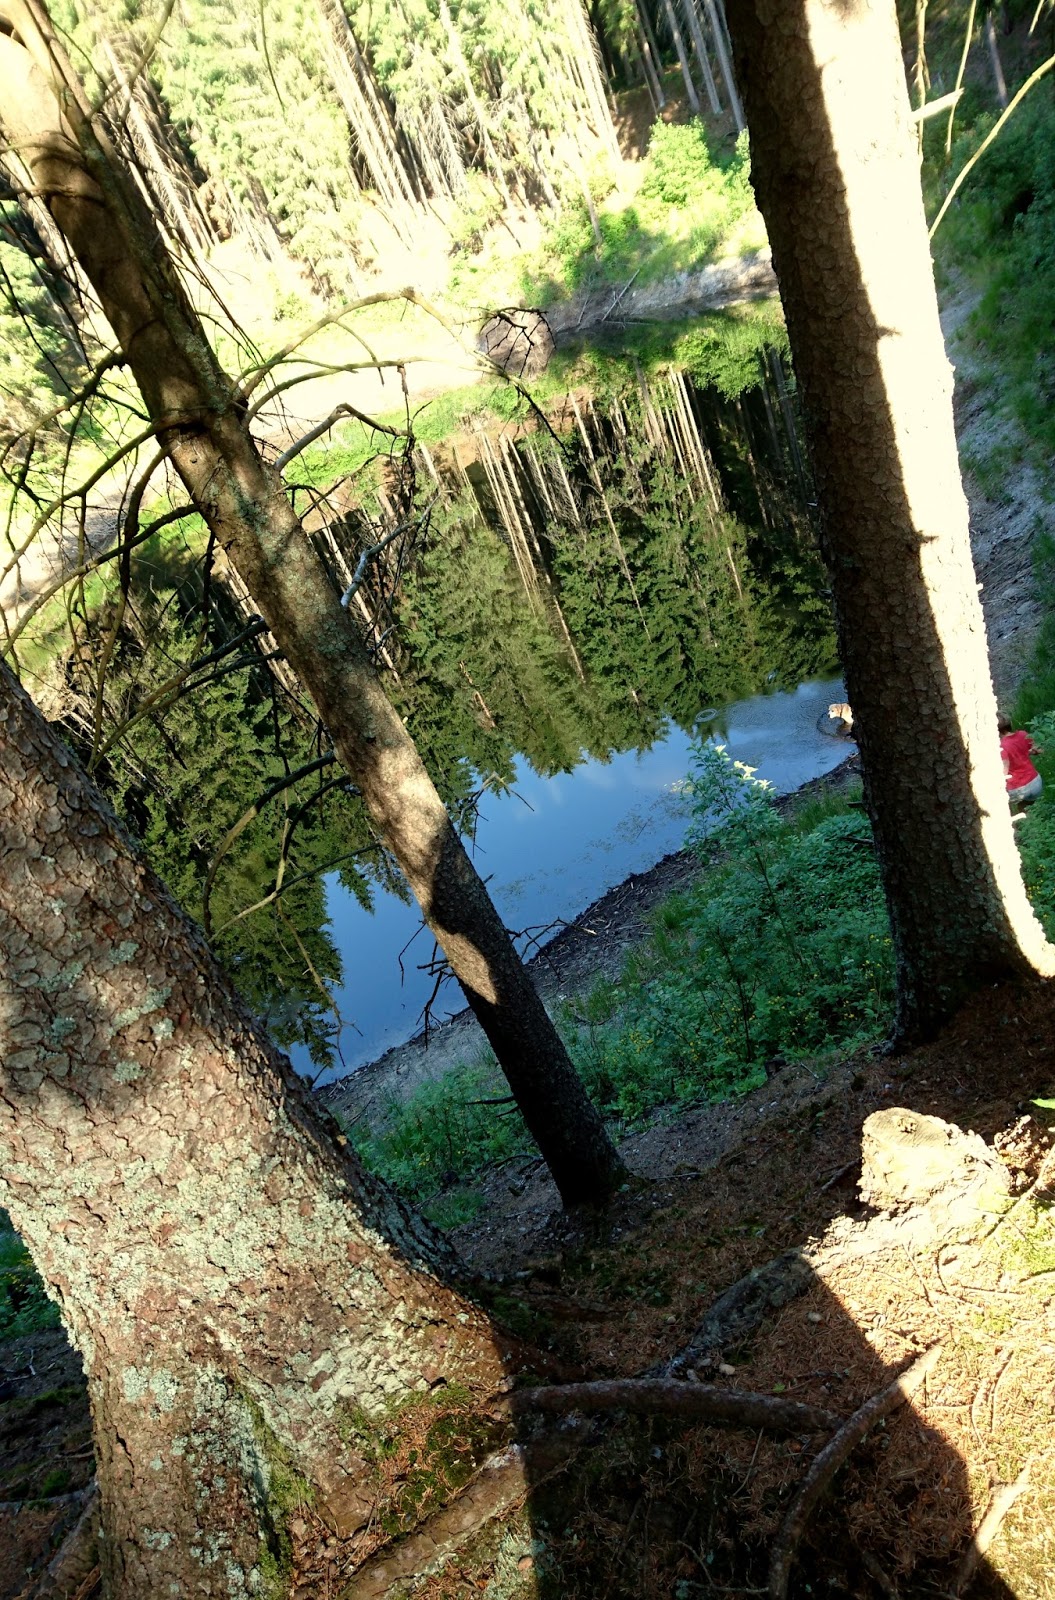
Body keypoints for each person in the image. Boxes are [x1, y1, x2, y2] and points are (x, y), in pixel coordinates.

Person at [999, 716, 1042, 806]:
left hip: (1017, 788)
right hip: (1035, 782)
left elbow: (1005, 769)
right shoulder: (1023, 734)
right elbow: (1038, 750)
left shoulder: (1002, 746)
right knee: (1029, 807)